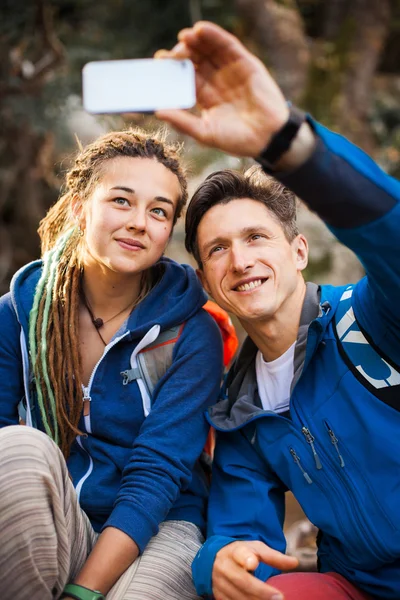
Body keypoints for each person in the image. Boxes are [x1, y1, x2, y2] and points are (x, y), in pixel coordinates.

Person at [155, 21, 400, 600]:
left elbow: (389, 235)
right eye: (218, 249)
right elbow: (238, 534)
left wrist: (288, 142)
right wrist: (216, 562)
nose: (240, 259)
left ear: (298, 251)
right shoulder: (239, 411)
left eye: (256, 238)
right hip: (358, 583)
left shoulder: (371, 318)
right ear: (209, 282)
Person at [0, 127, 224, 600]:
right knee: (17, 447)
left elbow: (157, 473)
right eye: (122, 201)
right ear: (81, 209)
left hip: (159, 525)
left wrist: (83, 592)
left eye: (159, 211)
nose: (140, 222)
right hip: (58, 517)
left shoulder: (190, 332)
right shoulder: (17, 314)